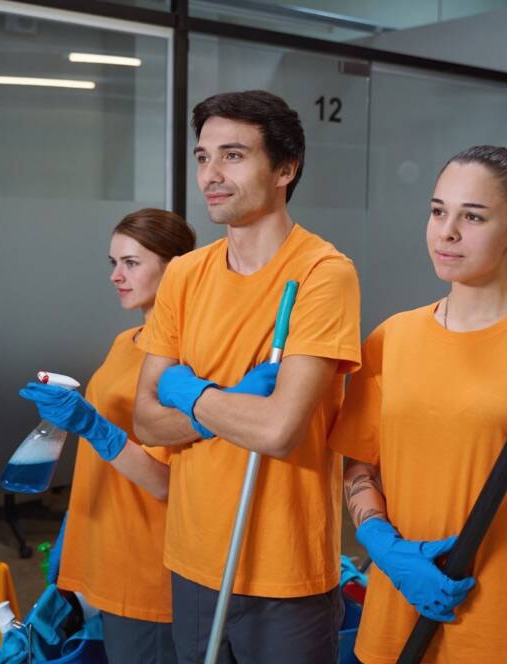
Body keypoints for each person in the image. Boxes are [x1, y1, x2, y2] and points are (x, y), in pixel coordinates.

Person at [329, 146, 507, 663]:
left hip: (504, 617)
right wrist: (384, 547)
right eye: (439, 211)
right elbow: (359, 465)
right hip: (400, 607)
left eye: (473, 216)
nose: (447, 232)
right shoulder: (392, 338)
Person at [132, 90, 361, 664]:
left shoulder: (323, 274)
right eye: (203, 156)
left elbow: (279, 431)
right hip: (192, 559)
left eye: (233, 156)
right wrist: (225, 403)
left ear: (286, 168)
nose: (211, 174)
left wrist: (187, 394)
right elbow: (145, 420)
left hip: (285, 572)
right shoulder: (184, 275)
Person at [19, 208, 196, 664]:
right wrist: (73, 530)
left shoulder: (188, 360)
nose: (117, 276)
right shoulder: (128, 341)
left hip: (147, 564)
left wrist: (93, 425)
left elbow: (167, 483)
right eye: (113, 263)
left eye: (131, 263)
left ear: (174, 267)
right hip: (104, 547)